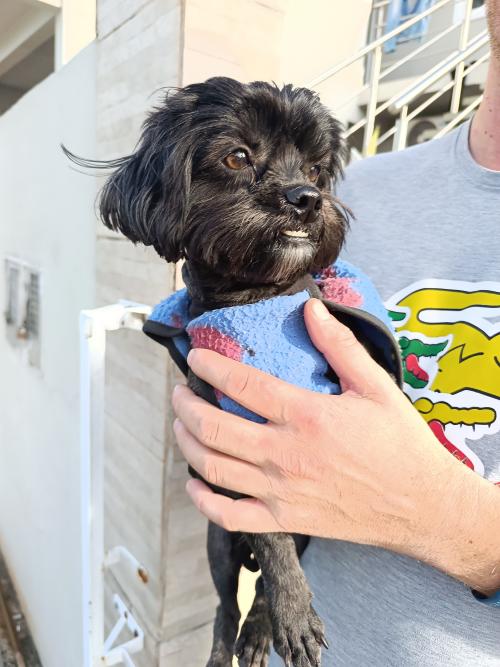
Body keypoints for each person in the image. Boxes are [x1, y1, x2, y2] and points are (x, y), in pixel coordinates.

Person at [171, 2, 500, 664]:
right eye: (241, 158)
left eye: (314, 174)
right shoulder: (359, 193)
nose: (304, 191)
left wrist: (445, 516)